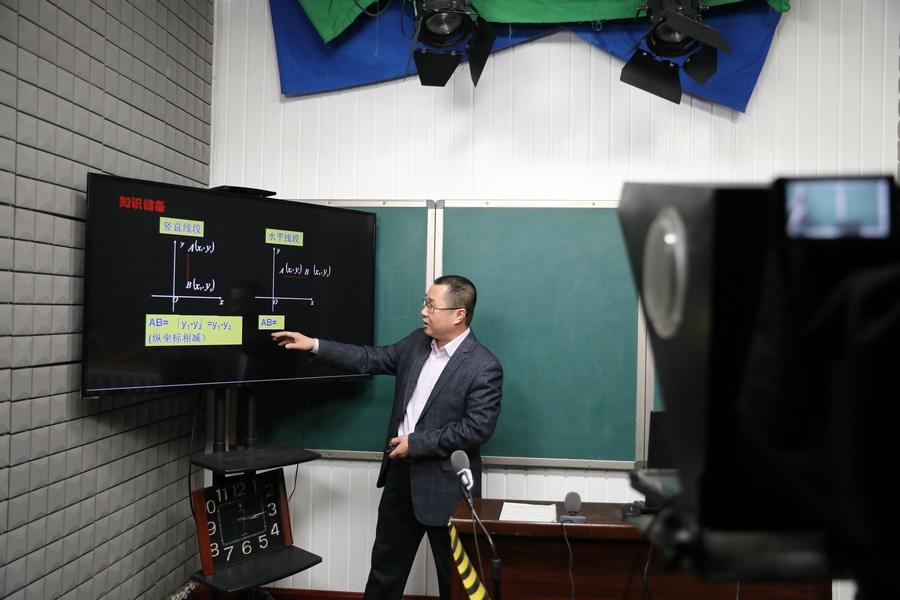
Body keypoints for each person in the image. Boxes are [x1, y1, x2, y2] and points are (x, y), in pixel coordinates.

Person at [271, 275, 503, 600]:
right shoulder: (416, 343)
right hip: (400, 479)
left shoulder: (483, 366)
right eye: (425, 302)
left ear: (458, 314)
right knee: (384, 575)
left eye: (431, 306)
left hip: (446, 490)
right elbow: (371, 357)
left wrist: (416, 443)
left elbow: (477, 428)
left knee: (456, 584)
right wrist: (315, 345)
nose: (423, 311)